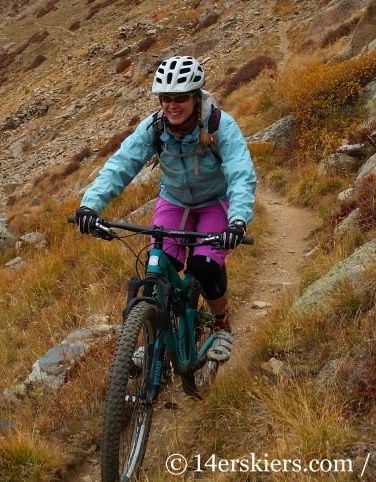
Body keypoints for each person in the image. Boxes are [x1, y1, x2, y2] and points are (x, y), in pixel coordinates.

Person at [75, 55, 256, 362]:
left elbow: (240, 173)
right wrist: (90, 206)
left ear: (195, 97)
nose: (172, 105)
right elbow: (122, 164)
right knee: (157, 269)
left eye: (180, 97)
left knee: (204, 267)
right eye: (165, 97)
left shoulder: (219, 125)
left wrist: (237, 221)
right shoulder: (155, 127)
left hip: (215, 203)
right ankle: (156, 334)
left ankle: (222, 324)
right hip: (174, 202)